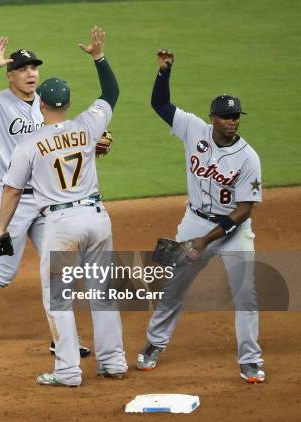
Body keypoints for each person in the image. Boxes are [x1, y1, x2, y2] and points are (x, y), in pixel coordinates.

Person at [0, 26, 127, 386]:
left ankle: (68, 370)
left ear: (41, 105)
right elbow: (111, 93)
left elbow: (10, 191)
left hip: (61, 226)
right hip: (97, 218)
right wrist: (99, 57)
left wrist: (1, 230)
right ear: (67, 104)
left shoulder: (30, 144)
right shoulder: (88, 124)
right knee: (104, 293)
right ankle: (114, 362)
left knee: (59, 300)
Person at [0, 36, 90, 358]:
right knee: (3, 274)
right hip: (7, 197)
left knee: (60, 267)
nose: (30, 73)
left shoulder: (48, 102)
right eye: (22, 68)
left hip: (45, 197)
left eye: (34, 68)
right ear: (9, 75)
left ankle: (62, 339)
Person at [137, 49, 265, 383]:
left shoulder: (248, 157)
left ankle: (250, 360)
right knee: (173, 287)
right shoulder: (194, 129)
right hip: (195, 219)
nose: (232, 120)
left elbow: (243, 210)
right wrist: (164, 73)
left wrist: (203, 241)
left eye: (236, 115)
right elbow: (160, 106)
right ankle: (154, 344)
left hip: (232, 230)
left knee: (246, 294)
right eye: (225, 116)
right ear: (212, 118)